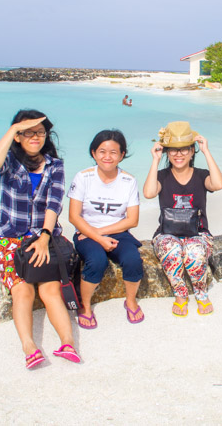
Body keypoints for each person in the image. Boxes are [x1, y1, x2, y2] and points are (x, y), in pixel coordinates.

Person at [0, 109, 80, 368]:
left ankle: (68, 344)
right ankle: (29, 347)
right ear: (18, 136)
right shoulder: (9, 161)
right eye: (28, 132)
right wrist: (12, 129)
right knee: (22, 290)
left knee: (50, 290)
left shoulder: (55, 165)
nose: (35, 137)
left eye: (40, 132)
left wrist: (44, 237)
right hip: (10, 238)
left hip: (44, 236)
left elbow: (54, 203)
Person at [142, 121, 222, 317]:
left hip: (198, 232)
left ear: (192, 151)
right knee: (171, 250)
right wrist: (155, 160)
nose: (179, 155)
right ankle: (180, 295)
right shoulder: (161, 176)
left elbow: (218, 184)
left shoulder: (201, 175)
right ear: (167, 153)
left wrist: (206, 151)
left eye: (184, 150)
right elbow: (148, 193)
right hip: (167, 233)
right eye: (173, 150)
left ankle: (201, 293)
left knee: (194, 251)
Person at [68, 129, 144, 329]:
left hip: (115, 231)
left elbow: (132, 220)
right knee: (97, 261)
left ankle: (130, 301)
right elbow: (74, 217)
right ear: (93, 153)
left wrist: (99, 233)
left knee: (133, 259)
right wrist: (97, 237)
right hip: (86, 232)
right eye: (102, 151)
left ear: (121, 155)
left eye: (113, 152)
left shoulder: (129, 181)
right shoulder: (83, 177)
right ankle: (85, 305)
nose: (107, 157)